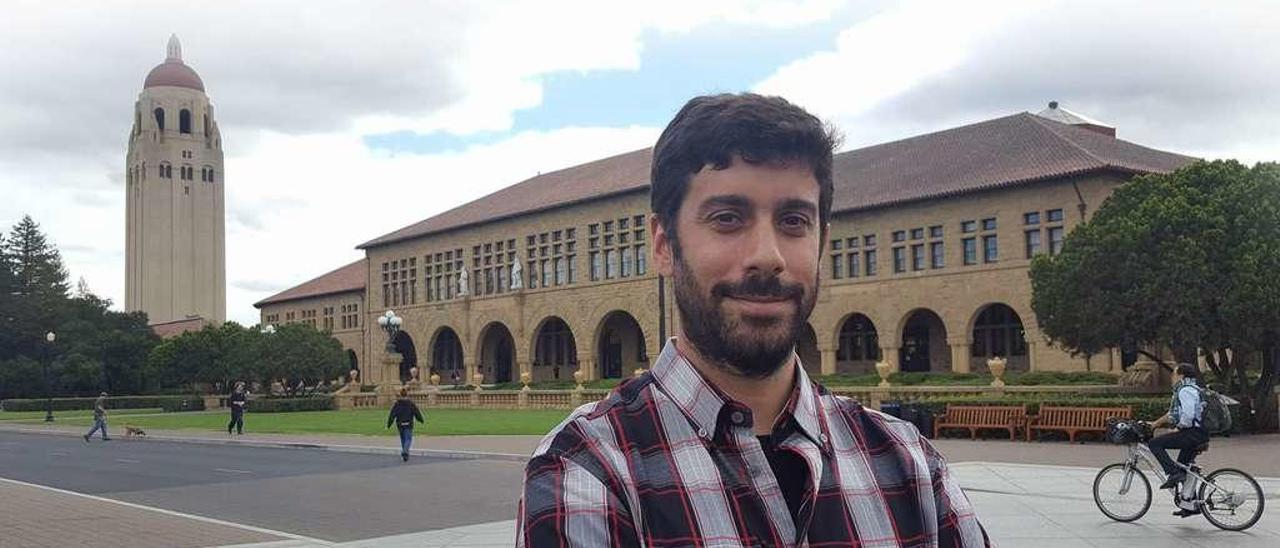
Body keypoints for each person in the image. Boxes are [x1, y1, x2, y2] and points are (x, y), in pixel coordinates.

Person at [518, 93, 989, 546]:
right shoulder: (587, 469)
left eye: (793, 221)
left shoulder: (910, 464)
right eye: (727, 218)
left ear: (822, 242)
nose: (768, 256)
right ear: (663, 245)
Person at [1147, 364, 1209, 504]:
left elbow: (1187, 415)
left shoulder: (1185, 390)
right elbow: (1173, 414)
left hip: (1192, 433)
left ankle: (1172, 473)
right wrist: (1155, 424)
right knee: (1183, 467)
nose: (1172, 377)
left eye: (1173, 374)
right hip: (1200, 433)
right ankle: (1189, 503)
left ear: (1181, 375)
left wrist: (1179, 428)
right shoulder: (1194, 388)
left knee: (1154, 443)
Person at [386, 387, 424, 462]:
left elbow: (392, 415)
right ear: (407, 394)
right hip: (408, 423)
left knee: (403, 439)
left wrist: (389, 424)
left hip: (400, 424)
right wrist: (421, 420)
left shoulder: (397, 404)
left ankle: (405, 453)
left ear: (400, 394)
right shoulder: (411, 404)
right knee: (408, 439)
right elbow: (417, 413)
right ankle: (405, 451)